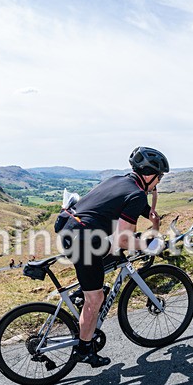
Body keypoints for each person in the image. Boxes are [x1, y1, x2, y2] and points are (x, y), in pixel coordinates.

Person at [59, 146, 168, 367]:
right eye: (160, 177)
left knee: (111, 252)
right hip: (84, 240)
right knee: (96, 299)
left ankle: (85, 290)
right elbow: (125, 241)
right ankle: (84, 349)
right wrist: (150, 244)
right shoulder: (137, 193)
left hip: (68, 226)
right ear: (149, 175)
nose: (160, 181)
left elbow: (128, 203)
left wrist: (150, 215)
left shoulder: (120, 180)